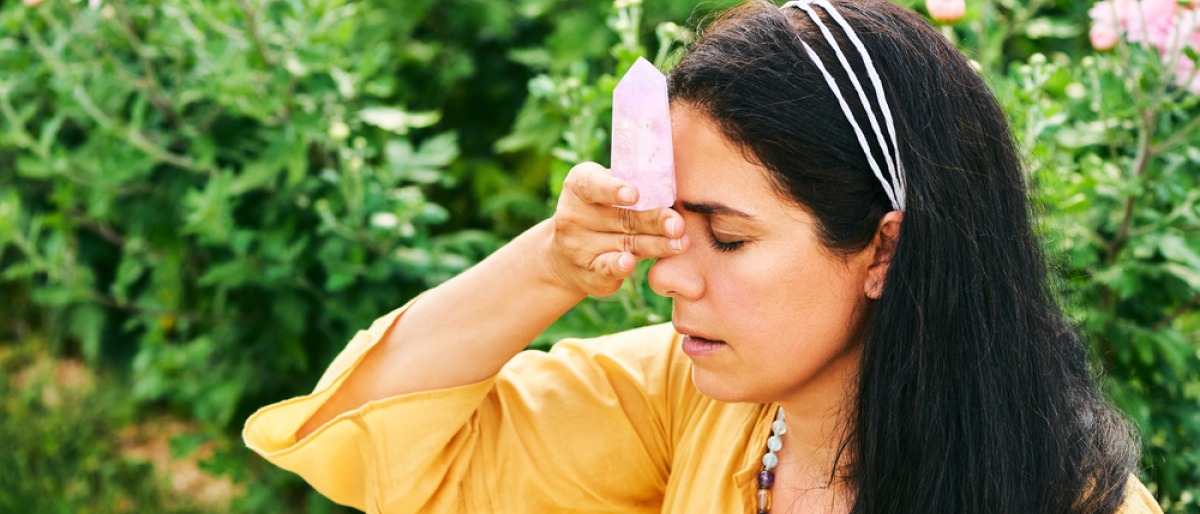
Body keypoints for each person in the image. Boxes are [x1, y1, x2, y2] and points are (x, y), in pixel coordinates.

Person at [243, 1, 1165, 513]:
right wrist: (553, 265)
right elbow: (375, 447)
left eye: (728, 236)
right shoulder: (692, 406)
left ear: (884, 248)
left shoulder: (1073, 503)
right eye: (676, 227)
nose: (671, 273)